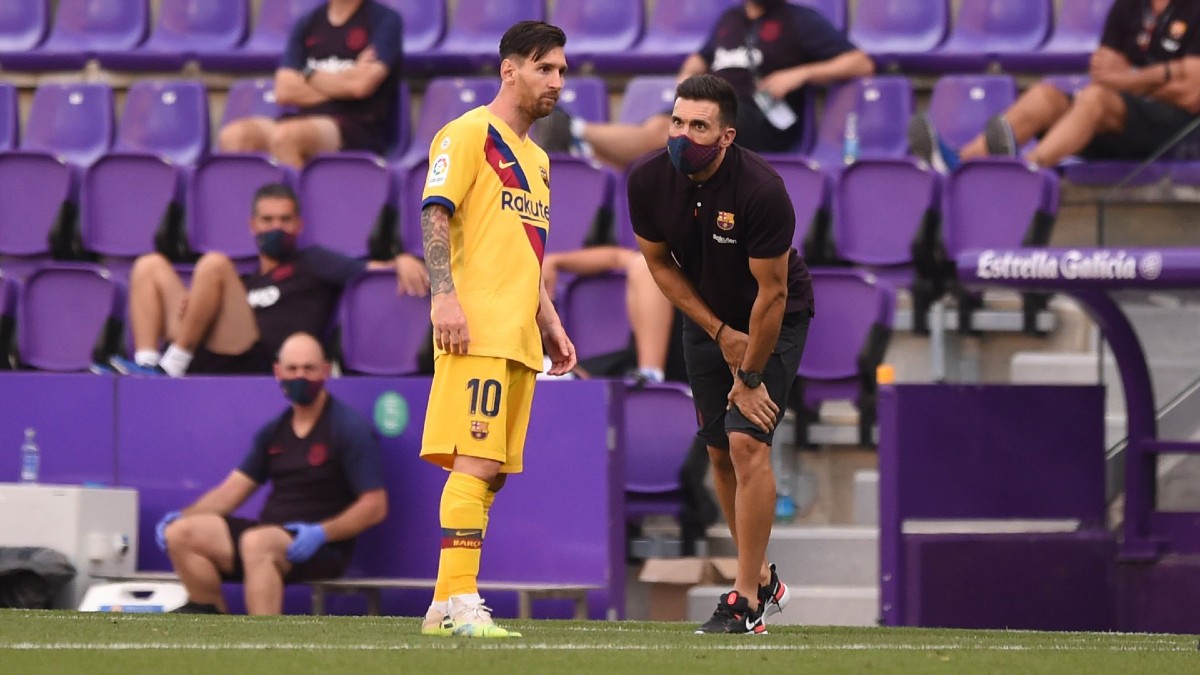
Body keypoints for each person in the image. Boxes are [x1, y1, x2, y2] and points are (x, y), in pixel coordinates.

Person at [626, 74, 814, 634]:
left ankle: (744, 598)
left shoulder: (761, 189)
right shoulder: (647, 180)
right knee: (718, 455)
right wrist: (716, 331)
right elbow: (659, 266)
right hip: (707, 322)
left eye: (699, 126)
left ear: (727, 136)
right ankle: (761, 580)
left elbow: (773, 294)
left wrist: (751, 372)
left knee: (746, 441)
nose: (683, 136)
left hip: (774, 318)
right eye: (677, 123)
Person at [417, 20, 576, 639]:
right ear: (510, 70)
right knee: (475, 463)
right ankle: (463, 604)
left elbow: (524, 254)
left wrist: (551, 322)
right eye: (546, 69)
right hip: (474, 328)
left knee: (492, 474)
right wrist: (444, 298)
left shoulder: (536, 158)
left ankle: (440, 604)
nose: (557, 82)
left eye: (562, 70)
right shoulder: (466, 134)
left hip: (518, 336)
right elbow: (435, 213)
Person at [156, 331, 388, 615]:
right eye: (292, 369)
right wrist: (182, 517)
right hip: (267, 536)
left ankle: (264, 643)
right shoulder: (274, 431)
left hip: (321, 546)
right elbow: (230, 492)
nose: (300, 376)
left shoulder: (348, 427)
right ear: (278, 372)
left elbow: (374, 505)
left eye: (309, 368)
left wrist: (321, 533)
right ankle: (211, 624)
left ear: (325, 371)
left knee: (257, 542)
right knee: (182, 533)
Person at [109, 182, 428, 377]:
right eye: (268, 220)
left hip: (262, 359)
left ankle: (172, 366)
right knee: (149, 265)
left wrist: (400, 260)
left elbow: (369, 272)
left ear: (299, 225)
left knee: (215, 263)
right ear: (252, 225)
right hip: (212, 351)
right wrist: (195, 313)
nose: (276, 227)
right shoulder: (245, 281)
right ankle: (148, 364)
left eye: (285, 220)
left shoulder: (313, 261)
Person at [536, 0, 873, 169]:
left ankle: (575, 132)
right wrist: (688, 80)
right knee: (654, 149)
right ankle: (582, 144)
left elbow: (861, 62)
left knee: (664, 133)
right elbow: (701, 56)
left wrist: (800, 74)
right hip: (708, 106)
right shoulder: (730, 20)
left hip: (755, 119)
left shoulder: (799, 20)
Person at [908, 0, 1200, 172]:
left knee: (1096, 98)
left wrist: (1129, 79)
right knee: (1045, 95)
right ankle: (960, 164)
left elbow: (1192, 95)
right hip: (1123, 121)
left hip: (1179, 130)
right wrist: (1167, 73)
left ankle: (1028, 170)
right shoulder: (1129, 7)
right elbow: (1104, 73)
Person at [217, 0, 403, 167]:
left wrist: (308, 75)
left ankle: (294, 205)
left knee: (287, 137)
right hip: (304, 119)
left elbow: (361, 86)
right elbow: (284, 90)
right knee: (234, 136)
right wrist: (345, 79)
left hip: (357, 124)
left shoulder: (385, 21)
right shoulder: (308, 22)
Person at [542, 246, 679, 384]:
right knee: (571, 376)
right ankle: (646, 378)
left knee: (647, 268)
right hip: (638, 358)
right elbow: (618, 257)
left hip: (691, 347)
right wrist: (555, 261)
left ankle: (650, 377)